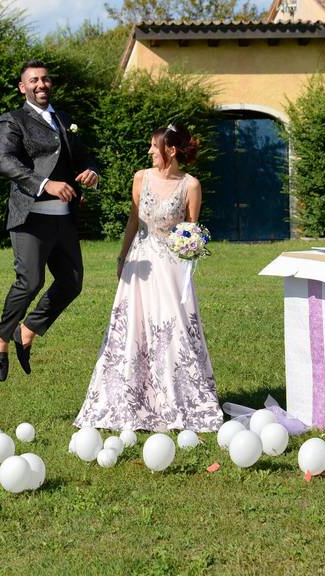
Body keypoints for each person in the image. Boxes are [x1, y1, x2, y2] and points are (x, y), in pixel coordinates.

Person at [73, 124, 223, 432]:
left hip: (171, 270)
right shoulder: (141, 178)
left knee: (175, 329)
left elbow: (191, 229)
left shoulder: (191, 185)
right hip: (140, 262)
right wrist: (121, 256)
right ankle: (130, 398)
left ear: (170, 150)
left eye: (155, 146)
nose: (150, 151)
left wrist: (190, 248)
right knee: (133, 329)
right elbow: (133, 220)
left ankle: (177, 399)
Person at [0, 60, 100, 382]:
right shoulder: (13, 120)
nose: (41, 84)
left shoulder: (64, 119)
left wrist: (91, 172)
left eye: (45, 79)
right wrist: (44, 184)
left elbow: (84, 156)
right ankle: (1, 340)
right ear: (22, 87)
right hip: (31, 218)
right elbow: (4, 162)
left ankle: (27, 331)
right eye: (33, 80)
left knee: (72, 282)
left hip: (63, 219)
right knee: (30, 282)